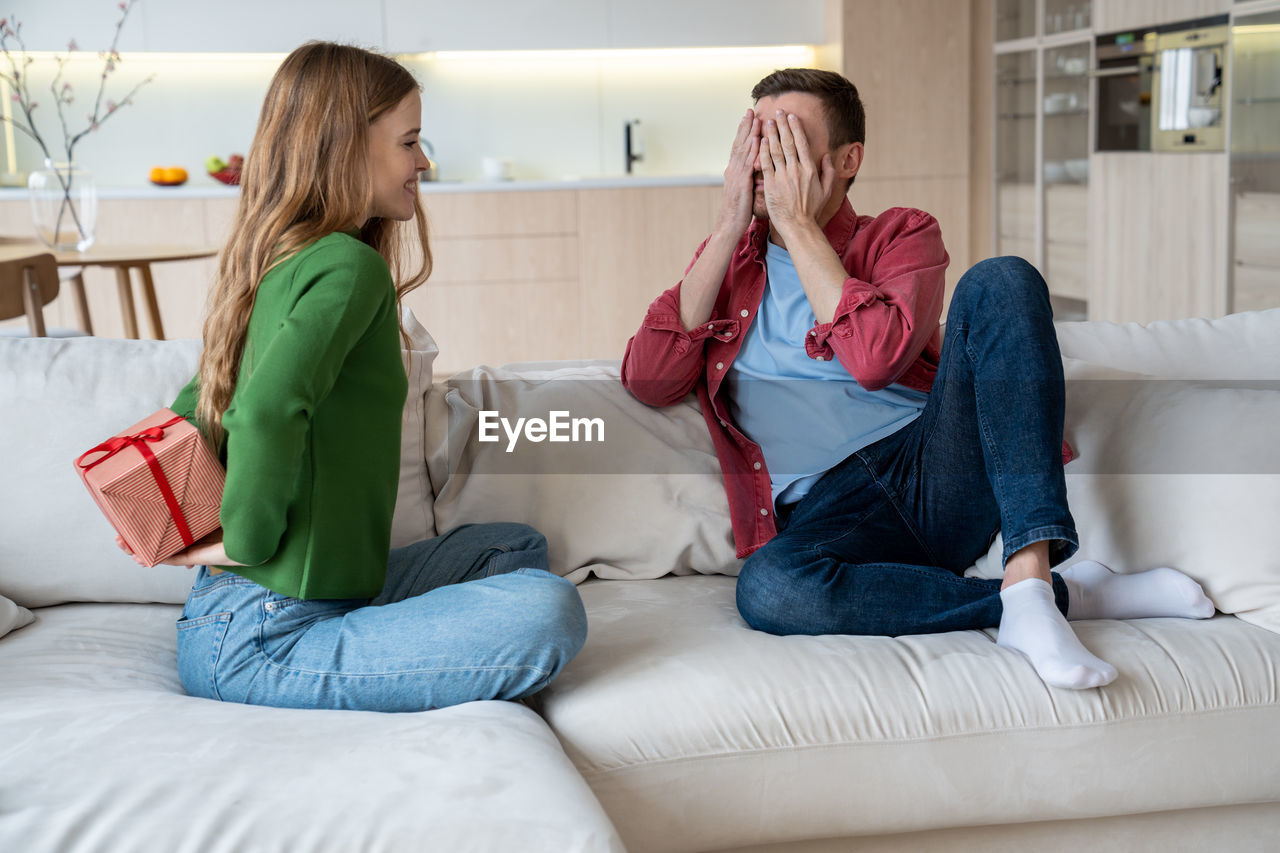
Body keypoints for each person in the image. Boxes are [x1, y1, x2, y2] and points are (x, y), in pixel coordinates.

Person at [621, 68, 1213, 690]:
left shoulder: (899, 234)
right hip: (827, 512)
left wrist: (797, 227)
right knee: (770, 589)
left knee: (1002, 279)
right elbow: (649, 380)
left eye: (791, 144)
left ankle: (1031, 576)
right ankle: (1059, 599)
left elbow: (875, 360)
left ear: (848, 159)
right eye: (758, 142)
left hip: (933, 465)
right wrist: (726, 226)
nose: (771, 162)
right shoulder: (727, 267)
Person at [117, 42, 586, 712]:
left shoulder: (275, 259)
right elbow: (262, 410)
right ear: (345, 147)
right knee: (551, 609)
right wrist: (243, 545)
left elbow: (198, 400)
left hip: (256, 612)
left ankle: (369, 630)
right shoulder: (349, 266)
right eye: (410, 142)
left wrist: (170, 520)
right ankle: (361, 639)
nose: (422, 162)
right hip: (266, 639)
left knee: (515, 546)